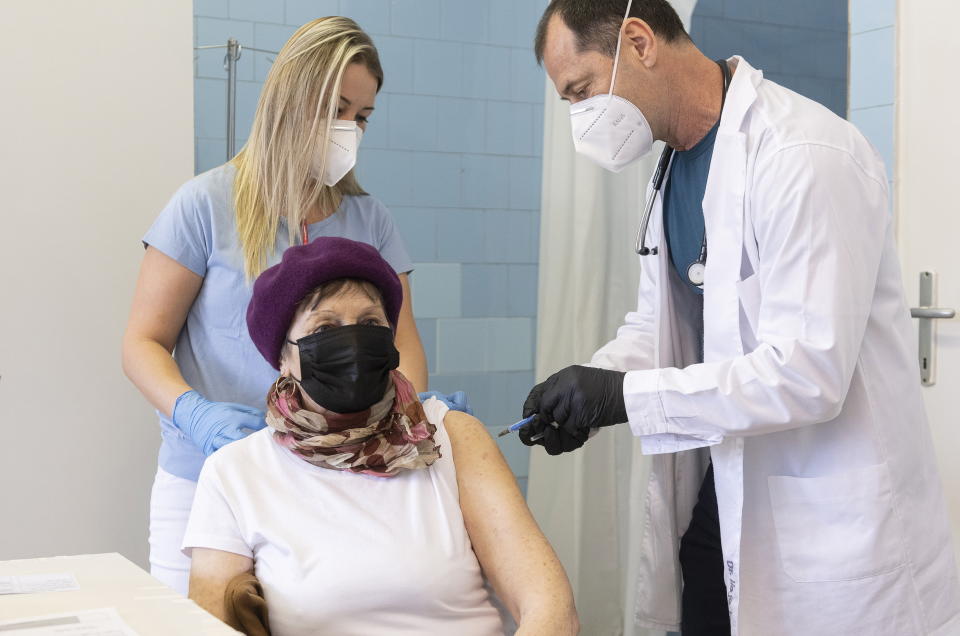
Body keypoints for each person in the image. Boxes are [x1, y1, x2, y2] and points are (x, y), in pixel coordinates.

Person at [520, 1, 960, 635]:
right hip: (732, 487)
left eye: (581, 91)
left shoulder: (803, 153)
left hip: (830, 512)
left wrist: (623, 397)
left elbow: (807, 373)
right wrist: (590, 383)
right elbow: (663, 326)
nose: (580, 118)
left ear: (639, 42)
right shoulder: (671, 169)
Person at [122, 17, 430, 594]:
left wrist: (409, 410)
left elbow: (404, 346)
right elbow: (142, 343)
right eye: (335, 109)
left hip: (334, 482)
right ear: (290, 101)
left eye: (361, 117)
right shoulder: (204, 207)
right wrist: (196, 415)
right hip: (207, 477)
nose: (349, 130)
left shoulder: (370, 222)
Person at [182, 236, 578, 636]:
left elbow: (550, 608)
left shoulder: (450, 437)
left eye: (371, 324)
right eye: (325, 327)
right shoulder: (235, 473)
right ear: (283, 358)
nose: (353, 342)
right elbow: (210, 624)